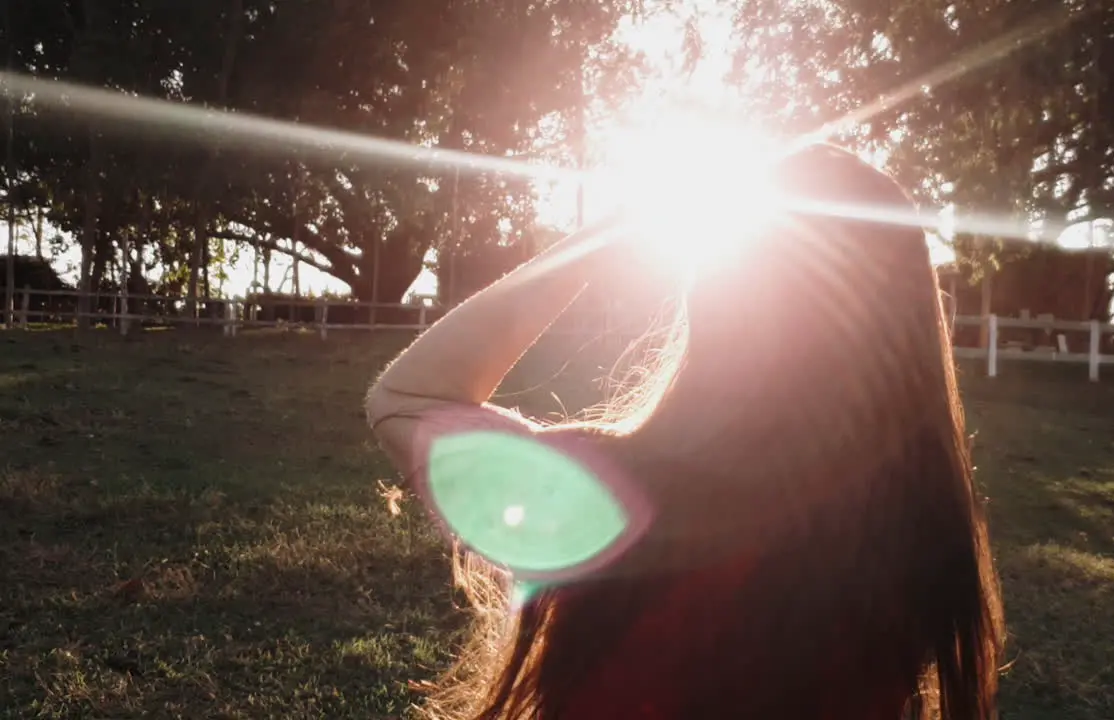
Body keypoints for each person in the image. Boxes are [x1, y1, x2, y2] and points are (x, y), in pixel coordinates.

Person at [366, 143, 1005, 720]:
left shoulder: (605, 500)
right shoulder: (921, 539)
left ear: (717, 304)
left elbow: (407, 395)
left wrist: (606, 237)